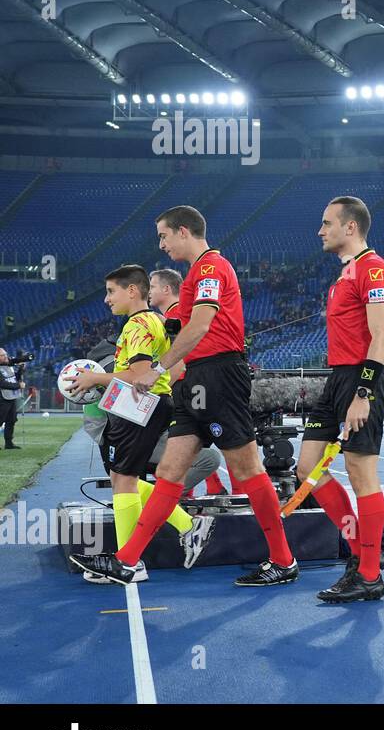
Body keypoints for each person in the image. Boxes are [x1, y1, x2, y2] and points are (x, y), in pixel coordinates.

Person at [72, 205, 299, 587]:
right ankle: (127, 561)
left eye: (163, 235)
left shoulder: (211, 267)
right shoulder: (198, 274)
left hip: (220, 375)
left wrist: (158, 369)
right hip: (197, 378)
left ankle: (283, 559)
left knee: (247, 471)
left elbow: (202, 326)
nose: (161, 244)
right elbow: (186, 328)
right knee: (168, 472)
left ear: (182, 231)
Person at [66, 266, 216, 582]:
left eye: (111, 291)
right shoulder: (155, 321)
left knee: (123, 480)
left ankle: (129, 563)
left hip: (137, 407)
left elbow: (137, 376)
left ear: (132, 291)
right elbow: (173, 370)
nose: (107, 299)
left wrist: (95, 378)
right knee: (123, 476)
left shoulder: (138, 325)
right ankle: (169, 535)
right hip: (147, 406)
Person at [294, 196, 384, 602]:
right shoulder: (346, 274)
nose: (320, 231)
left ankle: (368, 575)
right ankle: (362, 550)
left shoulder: (373, 268)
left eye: (326, 223)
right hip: (337, 377)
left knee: (360, 473)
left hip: (362, 379)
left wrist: (363, 393)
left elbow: (382, 335)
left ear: (349, 227)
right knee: (307, 468)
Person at [150, 266, 232, 498]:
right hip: (197, 384)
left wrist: (158, 387)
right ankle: (214, 488)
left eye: (153, 286)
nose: (149, 291)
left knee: (186, 444)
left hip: (187, 387)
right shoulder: (175, 314)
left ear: (167, 289)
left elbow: (181, 360)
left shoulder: (176, 315)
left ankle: (181, 496)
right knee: (203, 442)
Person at [0, 347, 21, 449]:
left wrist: (21, 369)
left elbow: (15, 378)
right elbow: (2, 384)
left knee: (11, 420)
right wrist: (18, 386)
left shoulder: (9, 365)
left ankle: (9, 443)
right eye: (2, 355)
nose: (5, 356)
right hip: (1, 398)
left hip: (11, 396)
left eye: (5, 354)